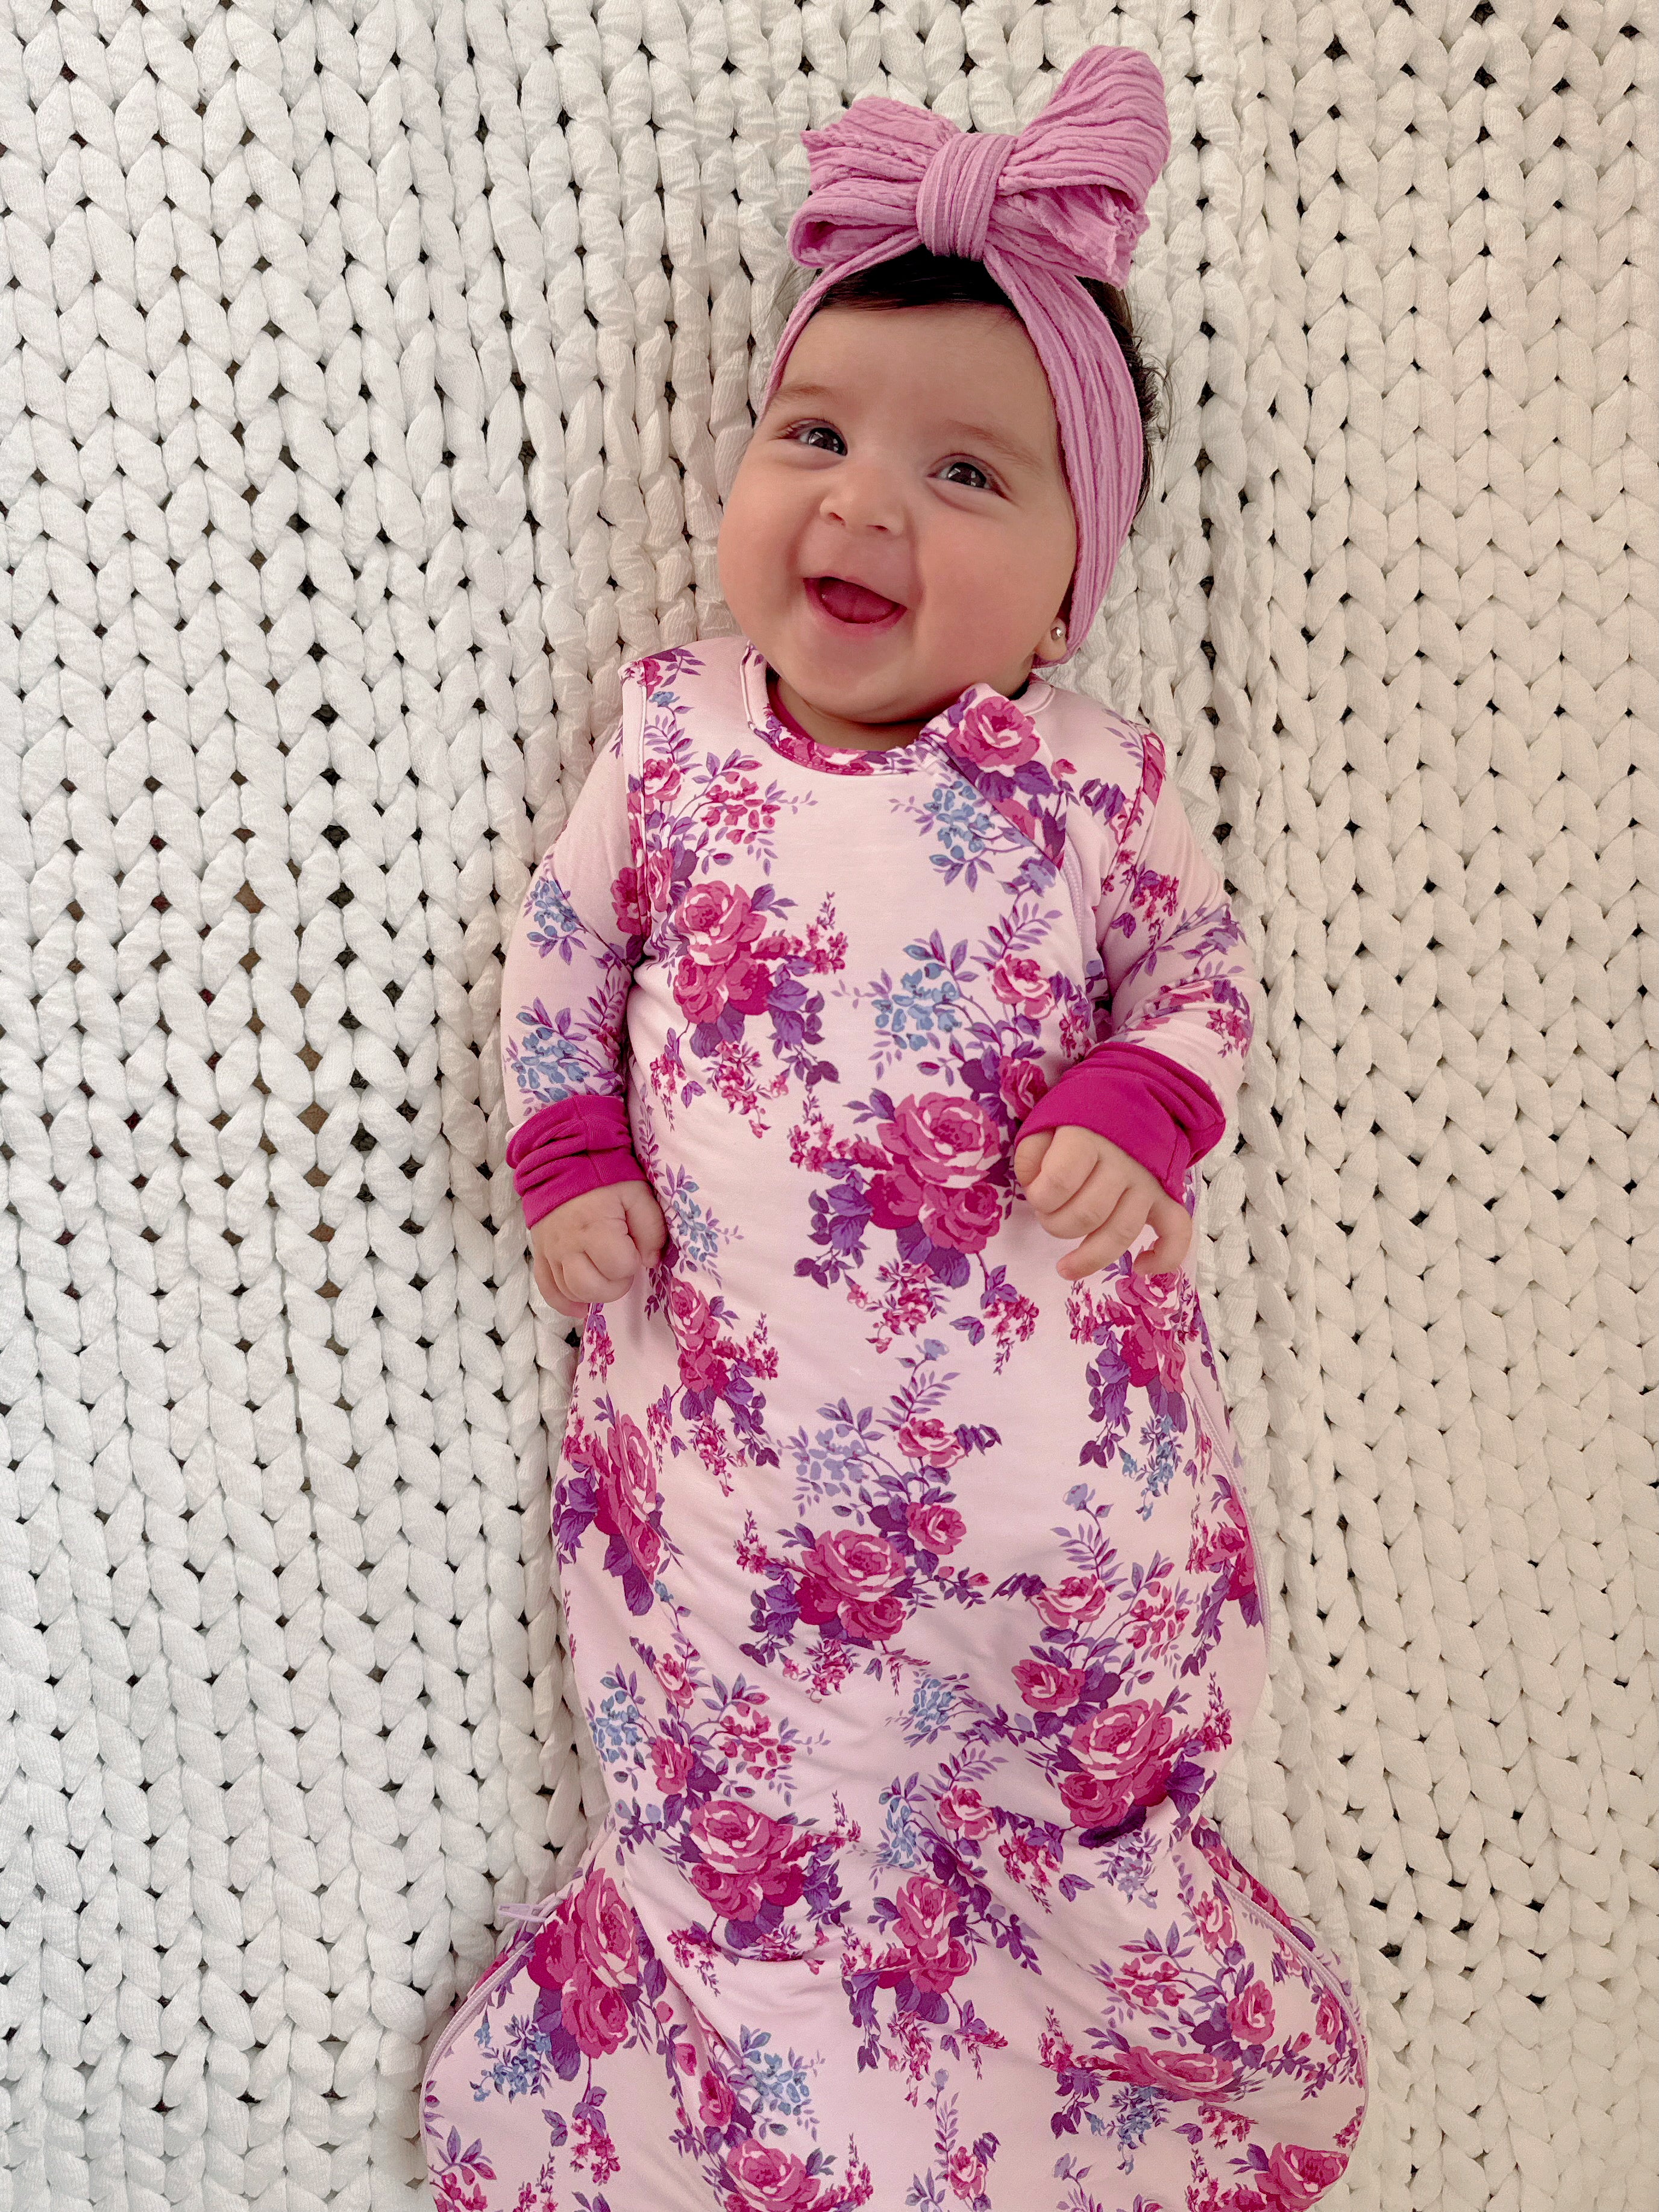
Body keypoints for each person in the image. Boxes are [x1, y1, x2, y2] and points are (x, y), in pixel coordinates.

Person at [421, 44, 1368, 2212]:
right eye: (816, 437)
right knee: (750, 1795)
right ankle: (744, 2093)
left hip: (1050, 1467)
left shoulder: (1084, 779)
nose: (856, 508)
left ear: (1063, 591)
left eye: (965, 476)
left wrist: (1144, 1106)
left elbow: (1202, 982)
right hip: (737, 1459)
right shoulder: (669, 743)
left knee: (1073, 1784)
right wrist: (571, 1160)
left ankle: (1132, 2044)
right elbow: (559, 965)